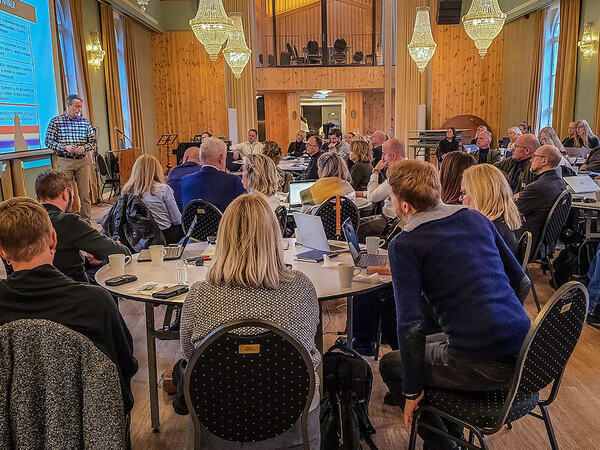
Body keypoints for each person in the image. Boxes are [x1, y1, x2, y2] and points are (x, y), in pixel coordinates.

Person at [379, 160, 531, 450]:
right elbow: (522, 283)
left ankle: (446, 444)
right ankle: (453, 439)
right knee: (428, 346)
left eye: (392, 198)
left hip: (482, 364)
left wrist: (411, 392)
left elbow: (409, 324)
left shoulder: (405, 244)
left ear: (405, 206)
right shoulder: (475, 218)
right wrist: (498, 321)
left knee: (391, 364)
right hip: (525, 349)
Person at [180, 193, 320, 449]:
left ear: (223, 238)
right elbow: (309, 345)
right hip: (293, 416)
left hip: (216, 420)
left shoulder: (199, 295)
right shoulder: (303, 288)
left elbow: (191, 357)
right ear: (274, 237)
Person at [0, 198, 138, 415]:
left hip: (15, 420)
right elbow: (126, 365)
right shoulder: (96, 302)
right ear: (53, 240)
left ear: (3, 252)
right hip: (89, 419)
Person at [35, 169, 130, 283]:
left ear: (37, 199)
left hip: (30, 294)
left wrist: (86, 260)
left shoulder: (22, 223)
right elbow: (122, 254)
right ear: (66, 194)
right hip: (73, 291)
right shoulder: (70, 223)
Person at [45, 94, 95, 223]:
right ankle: (67, 221)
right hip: (64, 160)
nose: (79, 110)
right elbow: (48, 141)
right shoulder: (56, 121)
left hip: (82, 161)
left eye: (80, 107)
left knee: (85, 194)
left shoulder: (85, 123)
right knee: (65, 194)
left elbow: (92, 142)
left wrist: (84, 148)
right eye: (76, 107)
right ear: (68, 105)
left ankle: (86, 221)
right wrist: (64, 147)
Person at [514, 145, 566, 253]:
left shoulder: (536, 187)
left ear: (544, 161)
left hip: (527, 241)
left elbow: (511, 213)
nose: (531, 160)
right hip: (546, 243)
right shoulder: (560, 183)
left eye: (534, 156)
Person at [122, 154, 183, 244]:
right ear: (156, 170)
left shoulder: (126, 191)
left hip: (139, 237)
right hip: (164, 236)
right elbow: (177, 220)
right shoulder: (163, 189)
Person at [461, 164, 522, 253]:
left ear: (480, 195)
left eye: (464, 192)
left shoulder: (485, 233)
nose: (460, 198)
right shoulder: (500, 225)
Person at [181, 137, 246, 212]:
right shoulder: (232, 181)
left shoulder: (185, 181)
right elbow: (244, 210)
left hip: (192, 223)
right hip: (223, 223)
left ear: (201, 157)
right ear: (221, 158)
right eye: (225, 158)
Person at [357, 138, 406, 220]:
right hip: (396, 219)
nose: (382, 158)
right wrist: (361, 193)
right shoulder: (410, 168)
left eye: (384, 154)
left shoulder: (399, 174)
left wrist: (375, 171)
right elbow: (383, 191)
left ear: (393, 155)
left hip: (390, 220)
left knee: (356, 227)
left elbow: (372, 197)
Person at [167, 146, 202, 211]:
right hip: (195, 214)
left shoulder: (173, 172)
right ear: (201, 160)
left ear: (185, 158)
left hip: (174, 212)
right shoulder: (202, 173)